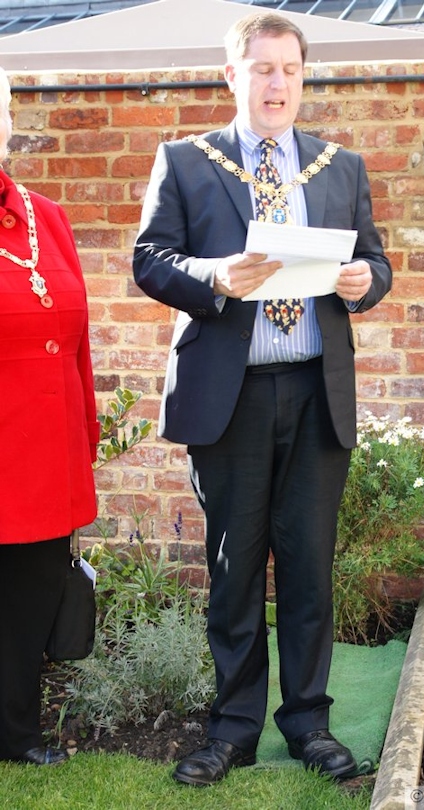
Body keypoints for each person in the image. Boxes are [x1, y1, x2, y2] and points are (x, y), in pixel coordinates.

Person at [133, 11, 392, 788]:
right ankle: (234, 727)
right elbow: (149, 260)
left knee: (310, 566)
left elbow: (377, 263)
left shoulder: (339, 167)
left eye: (289, 70)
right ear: (233, 76)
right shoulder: (185, 161)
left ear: (303, 78)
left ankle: (309, 723)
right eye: (262, 69)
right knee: (234, 568)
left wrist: (363, 283)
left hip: (317, 393)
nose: (276, 84)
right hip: (232, 396)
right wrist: (213, 276)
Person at [0, 67, 99, 765]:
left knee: (30, 598)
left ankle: (16, 733)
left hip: (44, 451)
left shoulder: (47, 217)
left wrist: (82, 436)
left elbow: (77, 344)